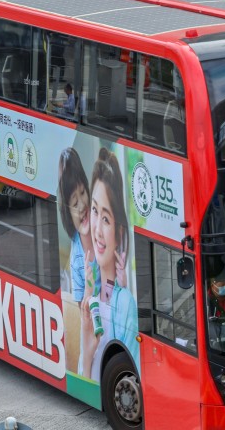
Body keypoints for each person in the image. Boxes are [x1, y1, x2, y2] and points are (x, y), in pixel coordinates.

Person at [79, 147, 138, 381]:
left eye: (106, 218)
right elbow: (83, 382)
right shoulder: (89, 298)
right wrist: (88, 351)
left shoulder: (124, 304)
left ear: (119, 233)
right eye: (94, 211)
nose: (97, 230)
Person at [57, 147, 92, 306]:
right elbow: (81, 309)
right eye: (74, 203)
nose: (82, 205)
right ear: (68, 215)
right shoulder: (77, 258)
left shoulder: (102, 227)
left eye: (83, 192)